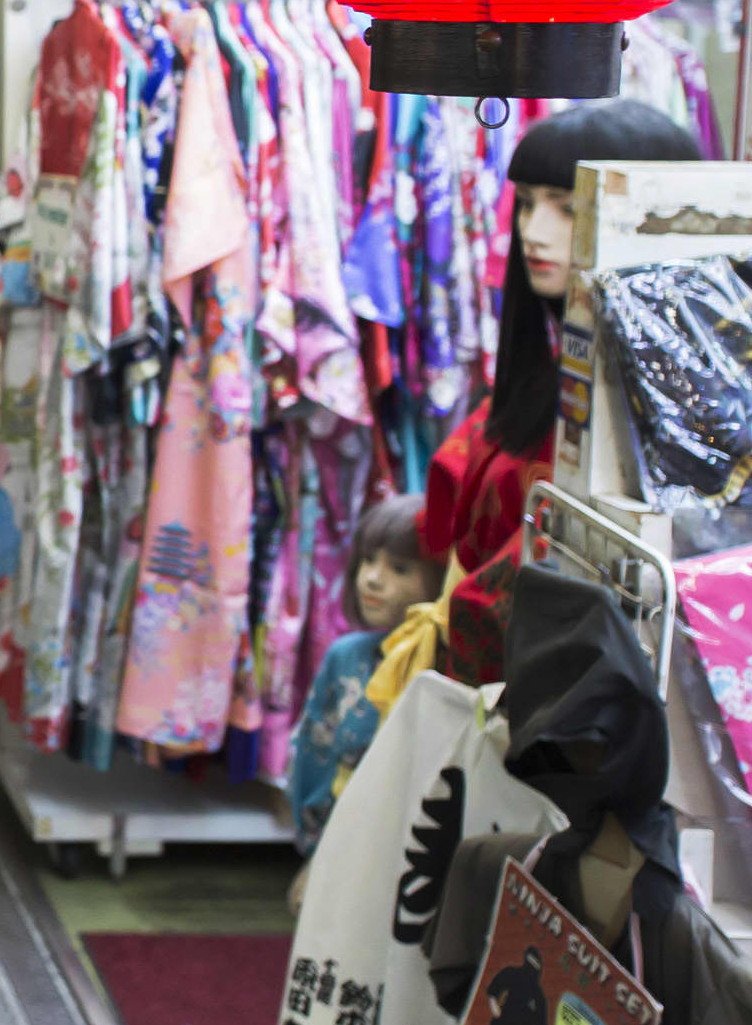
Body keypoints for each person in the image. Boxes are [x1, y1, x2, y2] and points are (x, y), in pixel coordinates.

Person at [426, 99, 700, 679]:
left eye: (567, 209)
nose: (533, 231)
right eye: (525, 205)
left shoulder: (670, 412)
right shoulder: (543, 379)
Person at [284, 496, 444, 852]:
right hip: (343, 847)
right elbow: (314, 757)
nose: (372, 579)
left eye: (400, 569)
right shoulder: (347, 658)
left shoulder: (447, 675)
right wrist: (318, 855)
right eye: (368, 561)